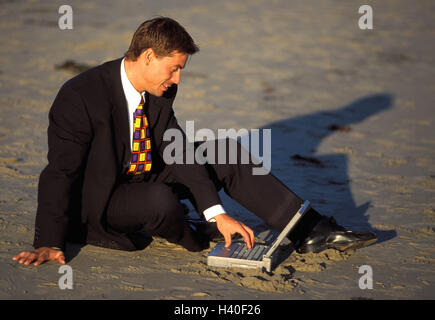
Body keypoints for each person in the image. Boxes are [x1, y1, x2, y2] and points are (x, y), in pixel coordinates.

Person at [13, 17, 377, 267]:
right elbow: (60, 172)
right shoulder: (80, 96)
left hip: (146, 171)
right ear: (147, 56)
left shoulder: (158, 88)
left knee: (225, 151)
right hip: (103, 199)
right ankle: (197, 234)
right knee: (161, 200)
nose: (177, 78)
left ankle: (309, 230)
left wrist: (215, 209)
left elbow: (179, 149)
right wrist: (50, 241)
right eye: (174, 68)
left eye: (181, 69)